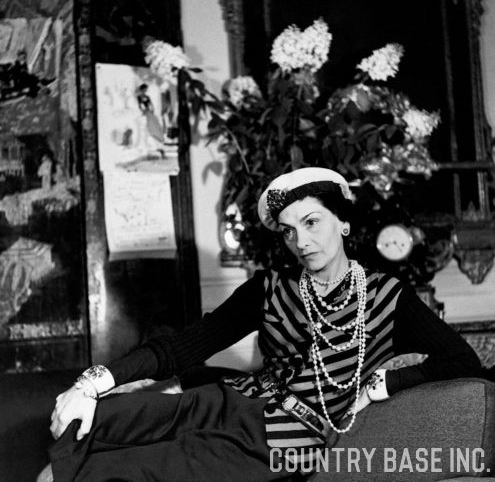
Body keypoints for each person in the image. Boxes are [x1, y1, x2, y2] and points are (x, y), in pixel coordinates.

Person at [49, 167, 482, 481]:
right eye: (289, 231)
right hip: (227, 400)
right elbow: (187, 344)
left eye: (311, 222)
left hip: (283, 442)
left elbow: (461, 359)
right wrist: (93, 383)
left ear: (344, 223)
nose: (301, 241)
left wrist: (388, 383)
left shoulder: (389, 297)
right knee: (86, 423)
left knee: (126, 471)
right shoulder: (270, 287)